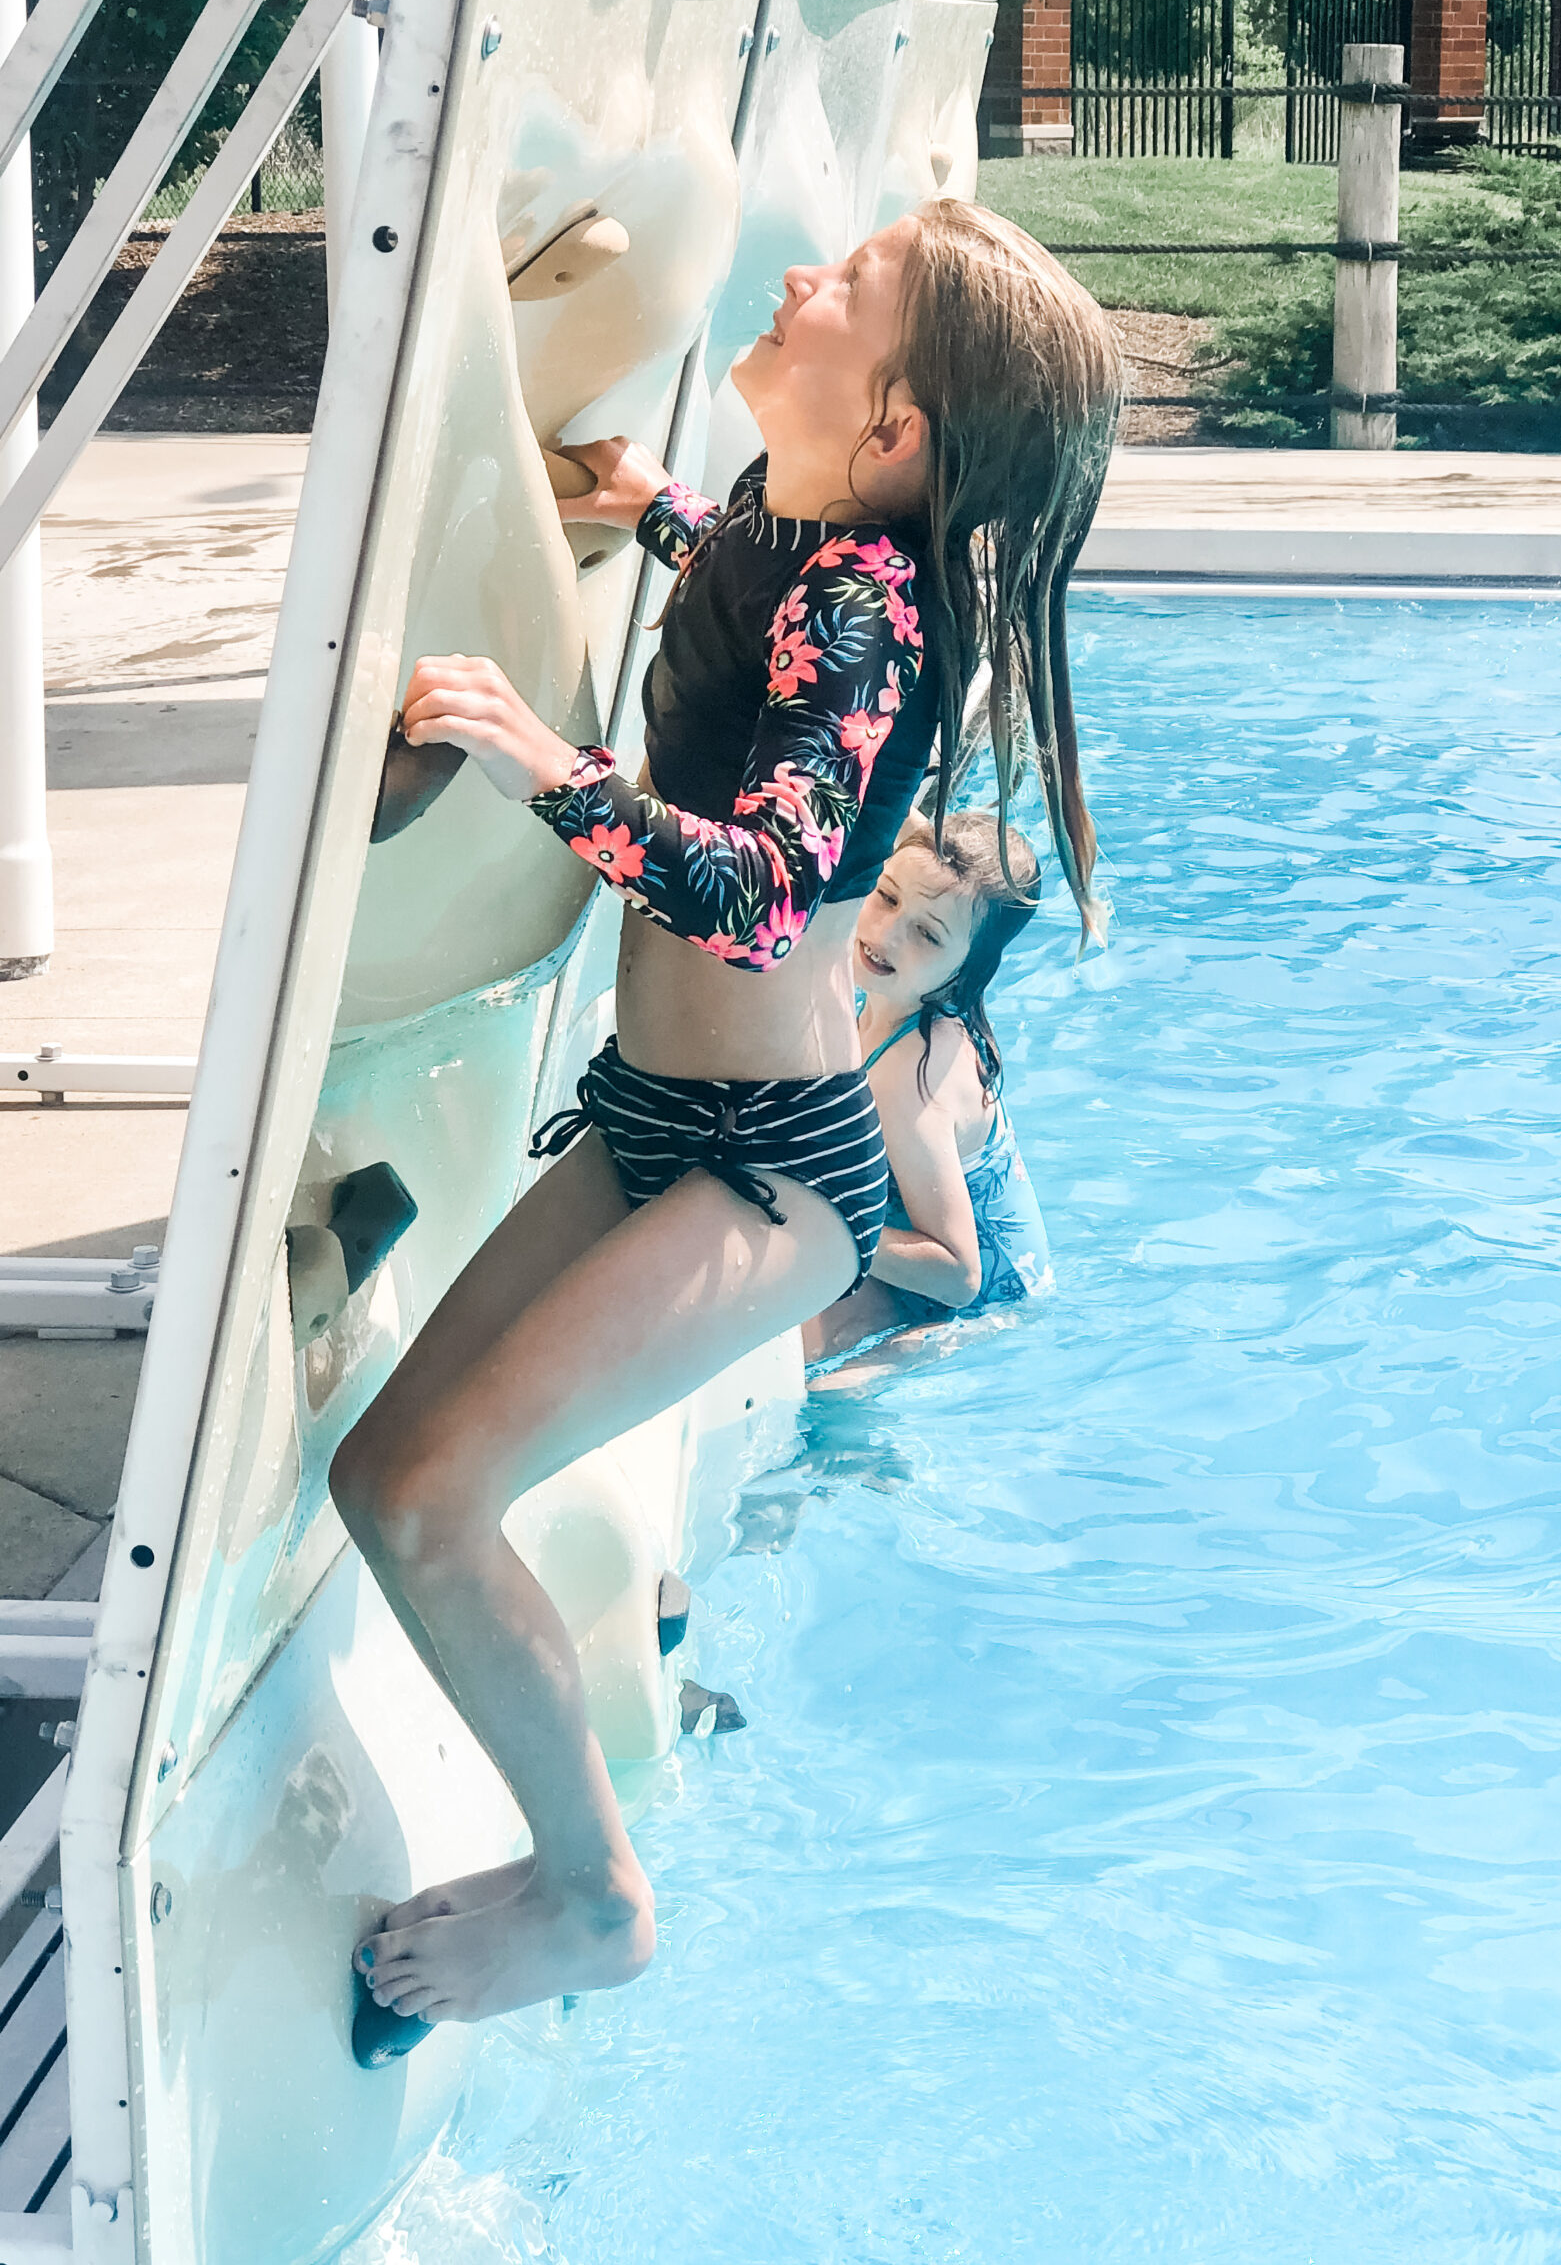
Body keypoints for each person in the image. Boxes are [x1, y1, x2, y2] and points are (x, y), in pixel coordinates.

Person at [328, 198, 1122, 2060]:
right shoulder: (804, 540)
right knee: (388, 1484)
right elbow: (744, 583)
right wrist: (651, 504)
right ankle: (585, 1838)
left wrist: (548, 765)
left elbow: (765, 890)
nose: (793, 277)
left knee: (425, 1504)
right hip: (663, 1120)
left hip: (771, 1171)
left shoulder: (863, 606)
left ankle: (594, 1895)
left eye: (844, 289)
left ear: (895, 426)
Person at [801, 812, 1052, 1374]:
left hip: (975, 1314)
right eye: (887, 897)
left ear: (967, 970)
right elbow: (901, 823)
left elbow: (961, 1276)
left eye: (927, 934)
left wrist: (818, 1223)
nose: (885, 934)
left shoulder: (913, 1075)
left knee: (813, 1377)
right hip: (914, 1255)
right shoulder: (898, 999)